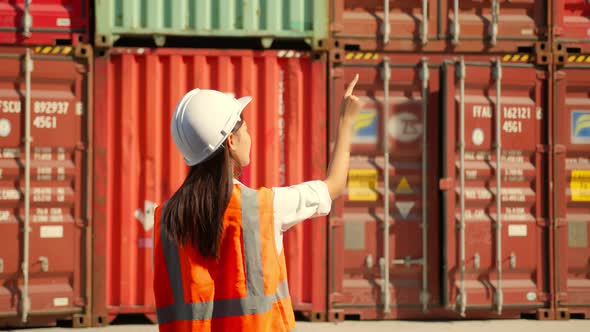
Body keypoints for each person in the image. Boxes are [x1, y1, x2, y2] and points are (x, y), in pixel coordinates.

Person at [153, 74, 364, 331]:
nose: (250, 136)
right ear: (231, 141)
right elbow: (335, 185)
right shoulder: (263, 208)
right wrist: (347, 121)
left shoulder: (166, 218)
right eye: (246, 129)